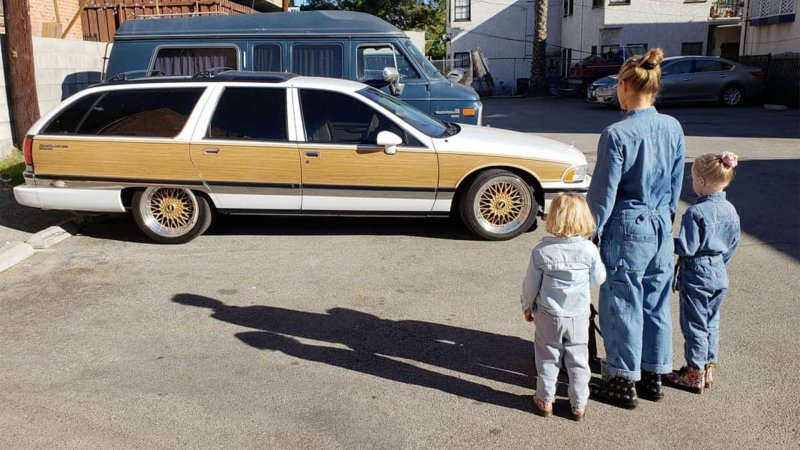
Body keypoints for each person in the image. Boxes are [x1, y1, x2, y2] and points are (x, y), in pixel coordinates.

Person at [586, 48, 685, 408]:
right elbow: (676, 183)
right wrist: (666, 218)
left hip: (627, 227)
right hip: (660, 223)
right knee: (656, 302)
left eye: (617, 86)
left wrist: (588, 233)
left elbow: (603, 194)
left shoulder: (616, 134)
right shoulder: (672, 127)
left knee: (623, 303)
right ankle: (653, 375)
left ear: (626, 86)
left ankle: (623, 381)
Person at [521, 192, 606, 421]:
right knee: (579, 360)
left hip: (548, 314)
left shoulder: (542, 251)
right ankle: (578, 404)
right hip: (578, 314)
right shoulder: (588, 250)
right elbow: (599, 278)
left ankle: (545, 398)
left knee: (548, 357)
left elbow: (531, 284)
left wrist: (527, 305)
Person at [667, 152, 740, 393]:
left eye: (692, 179)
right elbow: (732, 245)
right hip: (719, 270)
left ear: (702, 182)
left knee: (694, 323)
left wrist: (666, 242)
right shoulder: (731, 211)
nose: (692, 183)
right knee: (711, 321)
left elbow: (687, 248)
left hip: (697, 273)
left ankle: (693, 371)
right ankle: (708, 367)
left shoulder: (695, 213)